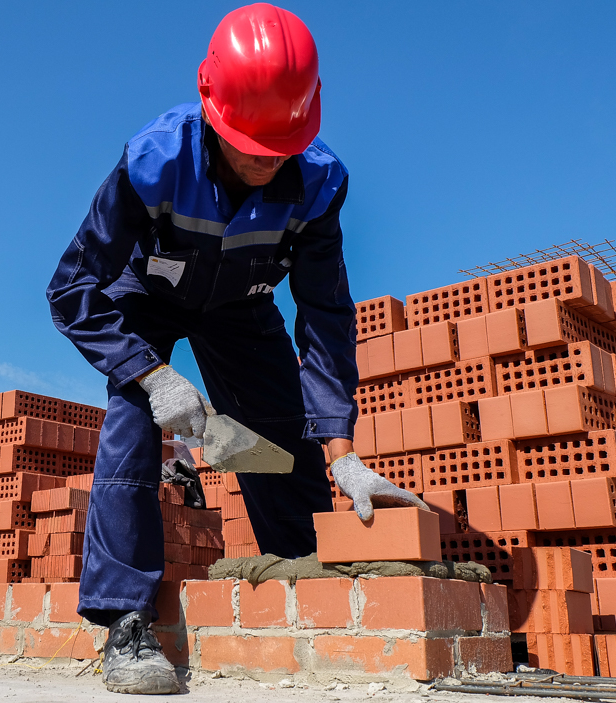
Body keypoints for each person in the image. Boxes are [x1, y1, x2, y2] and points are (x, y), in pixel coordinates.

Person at [47, 4, 427, 694]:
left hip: (241, 302)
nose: (259, 159)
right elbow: (70, 289)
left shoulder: (318, 183)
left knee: (273, 436)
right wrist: (150, 372)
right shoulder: (153, 161)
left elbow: (324, 313)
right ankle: (125, 620)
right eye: (244, 142)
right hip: (149, 294)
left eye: (275, 146)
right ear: (208, 104)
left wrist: (340, 447)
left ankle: (301, 572)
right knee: (135, 428)